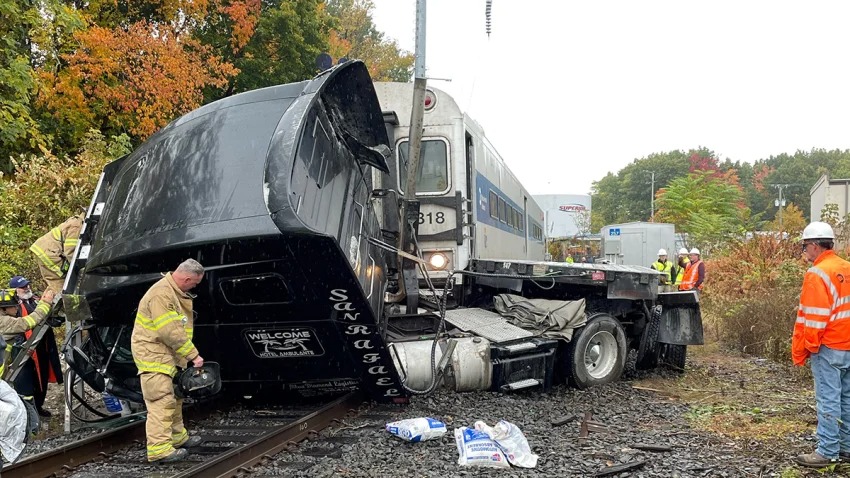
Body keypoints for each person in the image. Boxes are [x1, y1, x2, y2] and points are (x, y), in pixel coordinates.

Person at [131, 259, 205, 463]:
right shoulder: (161, 294)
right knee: (161, 400)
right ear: (187, 278)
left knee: (175, 397)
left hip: (166, 356)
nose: (195, 287)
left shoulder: (171, 291)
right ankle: (159, 449)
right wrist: (193, 355)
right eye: (195, 283)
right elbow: (170, 331)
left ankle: (176, 436)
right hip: (154, 356)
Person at [792, 222, 850, 467]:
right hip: (847, 344)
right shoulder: (846, 267)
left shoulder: (817, 273)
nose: (805, 251)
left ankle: (826, 451)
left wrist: (807, 347)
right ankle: (846, 447)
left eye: (805, 246)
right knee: (846, 398)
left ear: (815, 246)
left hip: (828, 346)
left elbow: (815, 317)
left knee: (828, 399)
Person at [9, 276, 62, 417]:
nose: (27, 288)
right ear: (15, 290)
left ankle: (38, 407)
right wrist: (22, 346)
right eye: (23, 287)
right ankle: (29, 413)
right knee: (25, 383)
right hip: (24, 351)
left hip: (42, 348)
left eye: (27, 285)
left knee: (42, 381)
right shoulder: (12, 307)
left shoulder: (36, 300)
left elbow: (47, 318)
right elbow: (17, 327)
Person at [0, 289, 55, 380]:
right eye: (13, 306)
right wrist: (45, 303)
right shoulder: (3, 321)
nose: (17, 308)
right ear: (3, 308)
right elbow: (28, 322)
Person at [29, 212, 85, 296]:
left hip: (45, 251)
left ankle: (48, 303)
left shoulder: (77, 222)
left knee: (55, 284)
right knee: (61, 285)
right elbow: (70, 252)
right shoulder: (77, 226)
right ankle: (63, 305)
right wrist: (82, 270)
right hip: (49, 253)